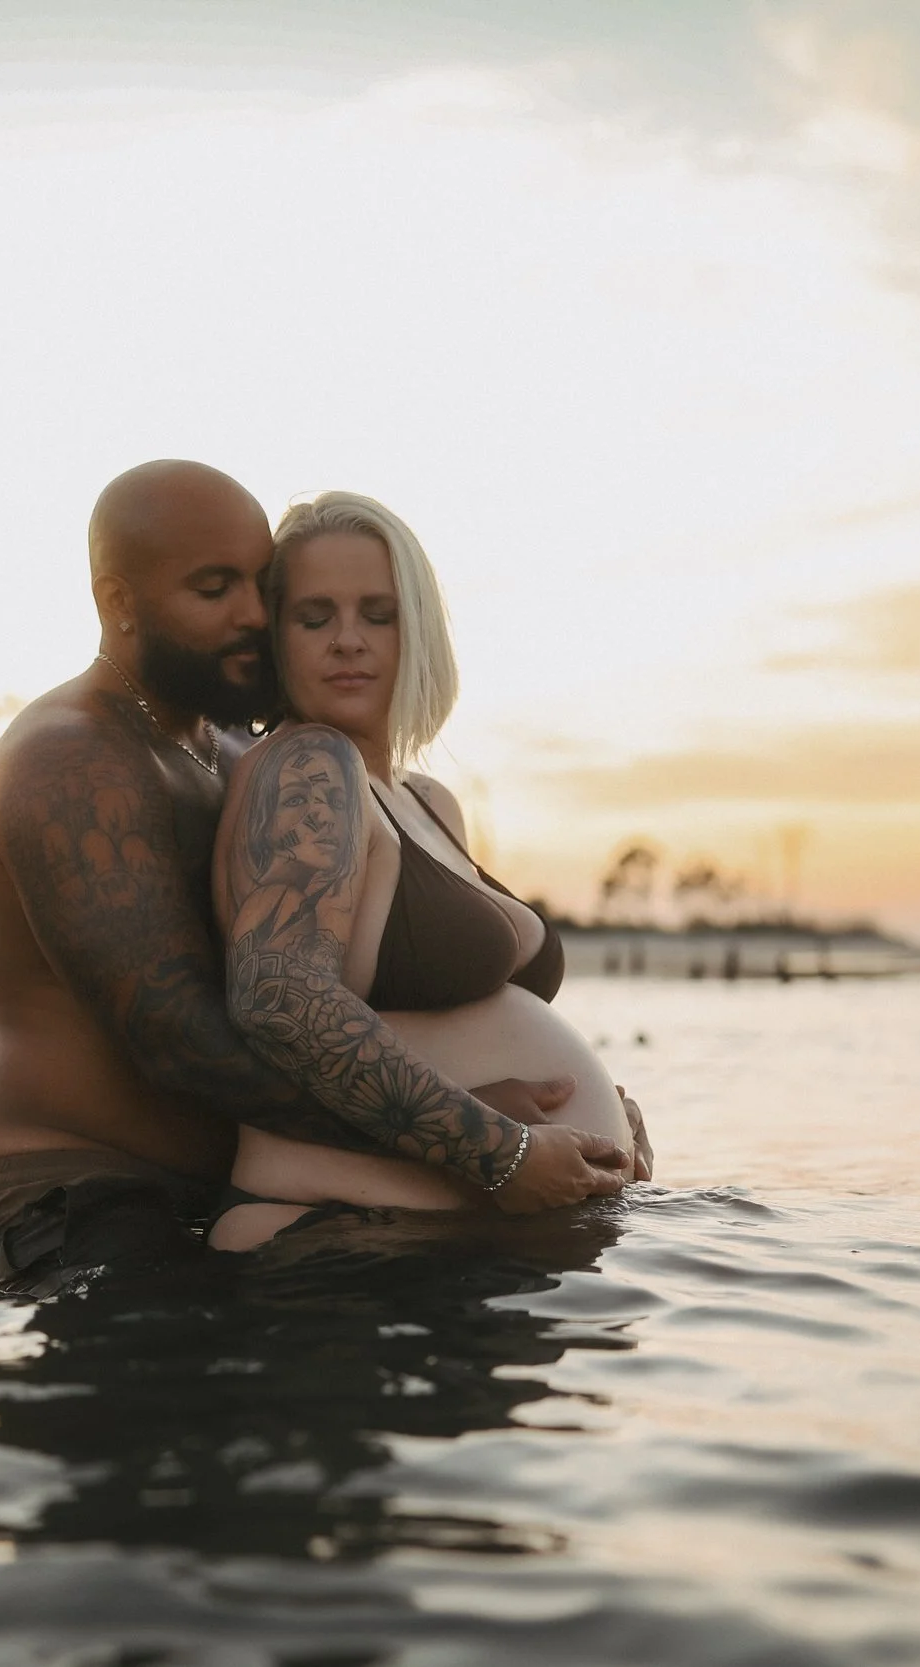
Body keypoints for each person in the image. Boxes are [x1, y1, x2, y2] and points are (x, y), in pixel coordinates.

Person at [0, 461, 633, 1294]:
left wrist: (554, 1118)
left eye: (259, 586)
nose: (250, 614)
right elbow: (183, 1038)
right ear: (119, 603)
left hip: (227, 1189)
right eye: (214, 590)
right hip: (74, 1203)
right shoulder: (73, 763)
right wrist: (476, 1133)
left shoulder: (230, 750)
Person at [210, 491, 649, 1250]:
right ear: (277, 639)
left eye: (378, 614)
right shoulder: (309, 767)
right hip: (336, 1243)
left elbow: (457, 1030)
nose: (348, 640)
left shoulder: (427, 800)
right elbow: (279, 997)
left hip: (437, 1243)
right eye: (315, 618)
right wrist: (499, 1149)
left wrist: (597, 1115)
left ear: (419, 628)